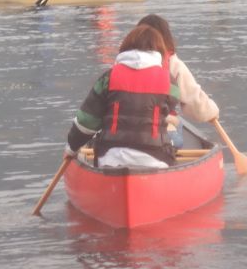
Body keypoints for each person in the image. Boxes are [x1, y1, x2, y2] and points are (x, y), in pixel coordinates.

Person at [64, 25, 179, 168]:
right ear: (159, 51)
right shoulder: (170, 82)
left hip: (110, 159)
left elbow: (86, 122)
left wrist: (71, 149)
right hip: (156, 159)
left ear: (126, 46)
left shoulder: (108, 77)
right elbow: (170, 107)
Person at [137, 14, 220, 148]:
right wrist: (211, 113)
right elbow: (194, 102)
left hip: (122, 133)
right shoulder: (173, 64)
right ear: (166, 37)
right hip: (162, 133)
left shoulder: (123, 63)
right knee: (175, 124)